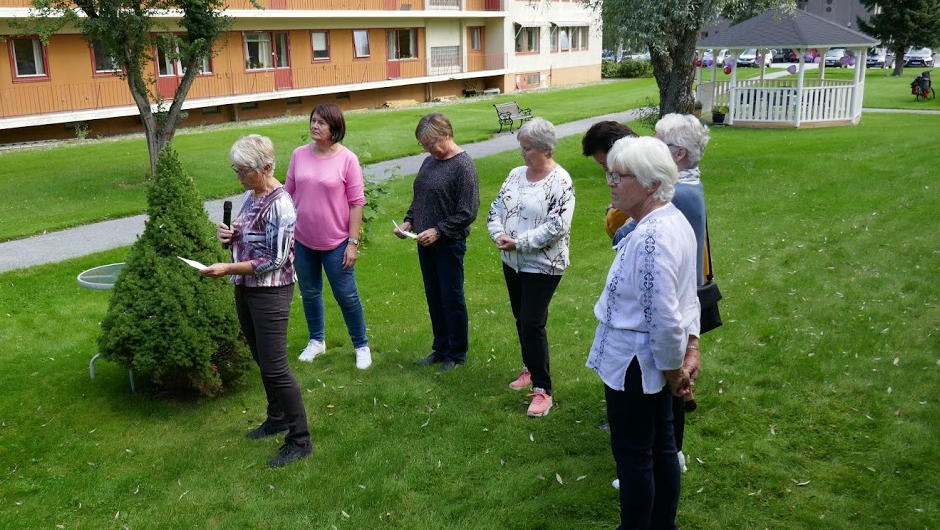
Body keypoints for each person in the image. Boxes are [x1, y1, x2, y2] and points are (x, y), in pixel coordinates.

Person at [586, 136, 699, 529]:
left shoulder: (652, 237)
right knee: (661, 447)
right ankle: (661, 524)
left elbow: (666, 318)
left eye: (620, 176)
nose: (610, 183)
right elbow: (688, 297)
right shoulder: (668, 220)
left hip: (637, 364)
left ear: (651, 184)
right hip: (650, 361)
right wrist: (692, 350)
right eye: (609, 174)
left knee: (636, 456)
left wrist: (674, 372)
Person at [201, 134, 312, 468]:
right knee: (262, 358)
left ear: (266, 168)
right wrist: (230, 235)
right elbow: (251, 237)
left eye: (244, 171)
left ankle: (300, 439)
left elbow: (275, 259)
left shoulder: (281, 204)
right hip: (246, 287)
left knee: (276, 366)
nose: (239, 177)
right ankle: (276, 417)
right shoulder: (252, 196)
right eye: (236, 171)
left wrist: (228, 267)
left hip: (271, 292)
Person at [486, 118, 575, 417]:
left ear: (546, 149)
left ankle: (542, 390)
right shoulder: (514, 175)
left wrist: (519, 242)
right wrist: (499, 234)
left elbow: (558, 226)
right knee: (519, 316)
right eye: (521, 148)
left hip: (543, 264)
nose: (522, 154)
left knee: (532, 323)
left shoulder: (561, 182)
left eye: (527, 149)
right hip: (512, 262)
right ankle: (529, 367)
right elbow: (496, 208)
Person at [286, 103, 371, 370]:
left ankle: (361, 345)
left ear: (335, 128)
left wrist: (352, 243)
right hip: (303, 240)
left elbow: (357, 203)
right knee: (310, 294)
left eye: (321, 122)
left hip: (336, 243)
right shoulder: (299, 154)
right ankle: (317, 341)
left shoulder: (347, 159)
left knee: (346, 295)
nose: (314, 125)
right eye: (313, 120)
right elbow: (288, 193)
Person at [394, 113, 479, 373]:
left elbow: (468, 211)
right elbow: (420, 197)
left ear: (447, 135)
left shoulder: (463, 166)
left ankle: (457, 354)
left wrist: (438, 231)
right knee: (434, 297)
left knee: (451, 298)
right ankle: (440, 348)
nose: (428, 149)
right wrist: (409, 221)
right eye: (424, 145)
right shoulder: (430, 162)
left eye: (431, 143)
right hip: (424, 242)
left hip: (448, 244)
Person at [580, 121, 638, 238]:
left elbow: (614, 226)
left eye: (604, 163)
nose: (605, 168)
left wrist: (611, 212)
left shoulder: (639, 174)